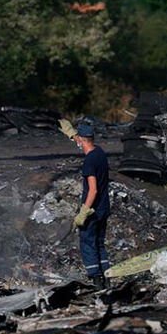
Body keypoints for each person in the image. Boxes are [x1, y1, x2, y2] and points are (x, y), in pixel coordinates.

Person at [58, 120, 110, 289]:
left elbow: (92, 190)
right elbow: (83, 141)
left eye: (78, 140)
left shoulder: (88, 162)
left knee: (87, 243)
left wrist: (83, 212)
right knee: (99, 243)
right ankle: (107, 277)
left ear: (82, 140)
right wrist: (72, 135)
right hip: (103, 208)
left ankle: (96, 280)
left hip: (92, 210)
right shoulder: (100, 153)